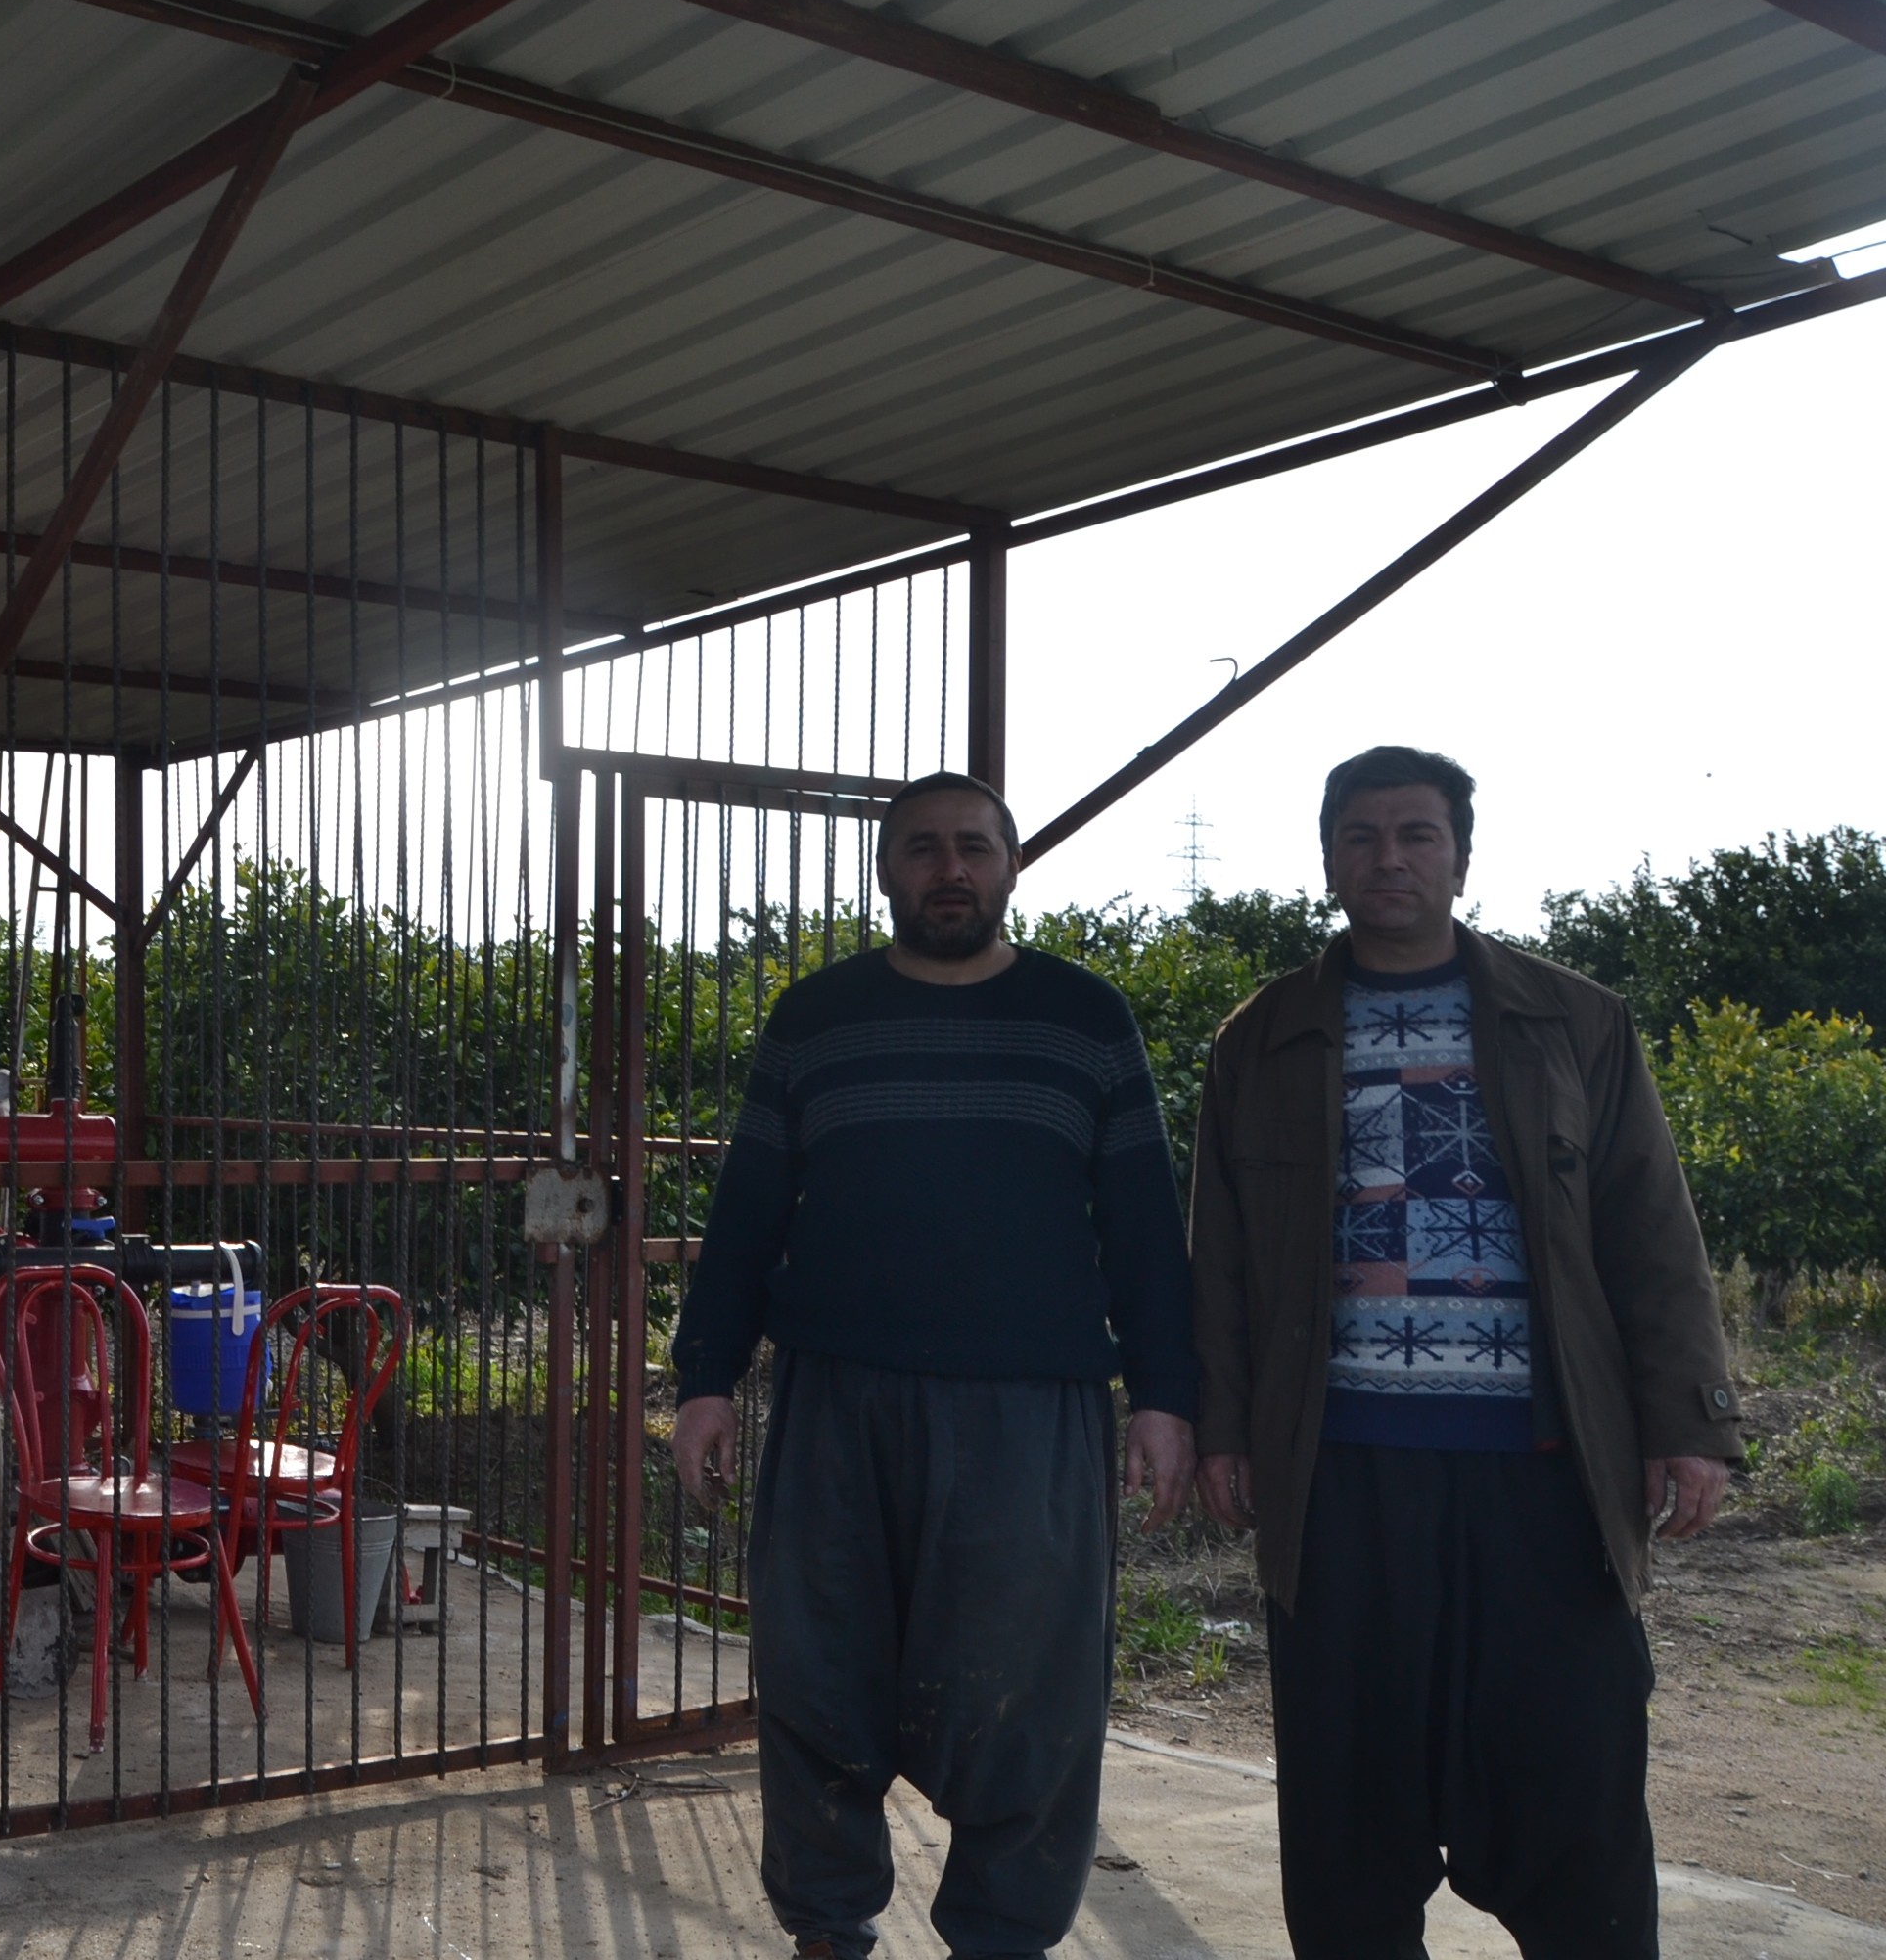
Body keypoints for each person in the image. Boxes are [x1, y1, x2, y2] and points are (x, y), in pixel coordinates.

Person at [1190, 746, 1741, 1959]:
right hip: (1340, 1473)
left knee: (1576, 1783)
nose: (1387, 859)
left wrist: (1690, 1424)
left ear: (1462, 856)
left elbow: (1651, 1230)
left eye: (1416, 835)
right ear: (1328, 858)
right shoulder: (1262, 1037)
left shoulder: (1575, 1020)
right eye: (1361, 836)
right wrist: (1223, 1426)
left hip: (1544, 1470)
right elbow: (1219, 1254)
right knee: (1349, 1801)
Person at [669, 771, 1197, 1960]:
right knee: (817, 1672)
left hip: (1032, 1408)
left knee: (1029, 1695)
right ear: (885, 872)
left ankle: (1004, 1938)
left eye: (973, 846)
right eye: (921, 848)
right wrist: (705, 1380)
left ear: (1011, 867)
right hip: (835, 1400)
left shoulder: (1084, 1017)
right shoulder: (817, 1018)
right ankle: (826, 1929)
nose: (949, 868)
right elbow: (747, 1216)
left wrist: (1165, 1398)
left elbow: (1144, 1227)